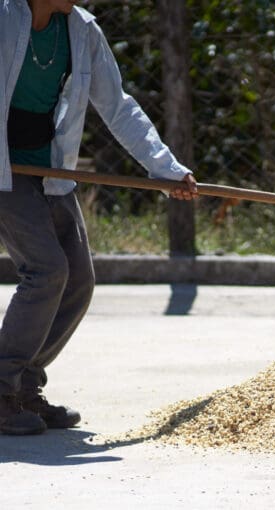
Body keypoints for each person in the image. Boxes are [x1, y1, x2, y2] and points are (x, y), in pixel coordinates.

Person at [0, 0, 198, 435]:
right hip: (4, 173)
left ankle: (24, 386)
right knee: (47, 271)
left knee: (78, 280)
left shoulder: (82, 30)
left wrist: (166, 170)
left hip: (49, 169)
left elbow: (119, 106)